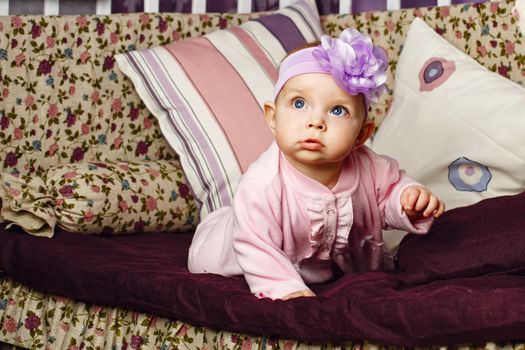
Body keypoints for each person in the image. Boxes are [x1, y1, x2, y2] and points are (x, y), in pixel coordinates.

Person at [188, 28, 445, 300]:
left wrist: (407, 200)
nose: (316, 122)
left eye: (337, 110)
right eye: (299, 103)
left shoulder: (370, 168)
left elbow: (390, 190)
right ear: (273, 117)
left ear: (362, 135)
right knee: (219, 244)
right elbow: (255, 246)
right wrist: (288, 291)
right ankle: (218, 221)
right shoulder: (261, 186)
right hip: (224, 250)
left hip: (325, 269)